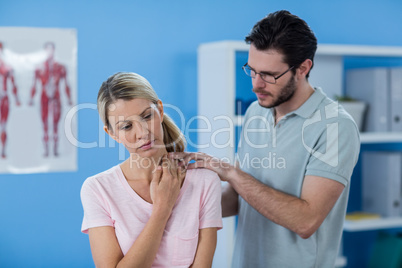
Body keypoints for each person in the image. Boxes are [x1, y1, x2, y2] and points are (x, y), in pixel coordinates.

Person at [170, 10, 360, 268]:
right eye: (252, 70)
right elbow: (239, 198)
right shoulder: (255, 111)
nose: (256, 85)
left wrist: (230, 173)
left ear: (303, 68)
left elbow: (305, 221)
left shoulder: (335, 126)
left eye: (269, 75)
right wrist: (175, 204)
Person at [80, 72, 222, 267]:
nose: (142, 133)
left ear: (160, 110)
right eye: (127, 126)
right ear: (111, 134)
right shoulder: (98, 189)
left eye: (147, 116)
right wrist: (162, 209)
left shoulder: (205, 181)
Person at [29, 42, 72, 157]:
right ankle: (46, 150)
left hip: (56, 97)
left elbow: (66, 85)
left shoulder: (61, 68)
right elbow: (34, 85)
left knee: (55, 124)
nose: (49, 52)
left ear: (54, 51)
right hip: (44, 98)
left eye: (51, 50)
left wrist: (69, 98)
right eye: (47, 50)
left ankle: (55, 149)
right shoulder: (39, 68)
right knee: (45, 125)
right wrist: (31, 98)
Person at [0, 42, 21, 158]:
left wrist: (17, 99)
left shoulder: (6, 67)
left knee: (3, 126)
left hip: (3, 100)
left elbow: (13, 83)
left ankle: (3, 151)